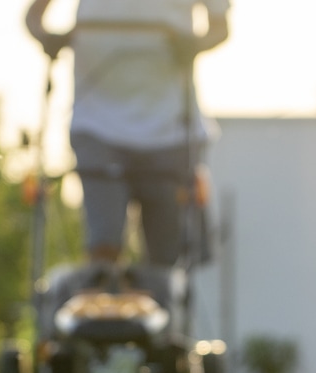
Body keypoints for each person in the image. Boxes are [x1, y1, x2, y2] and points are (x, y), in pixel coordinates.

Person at [25, 0, 230, 267]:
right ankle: (103, 298)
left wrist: (194, 44)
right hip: (97, 125)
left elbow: (220, 27)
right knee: (103, 248)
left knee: (165, 261)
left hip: (171, 131)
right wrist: (48, 37)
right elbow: (34, 16)